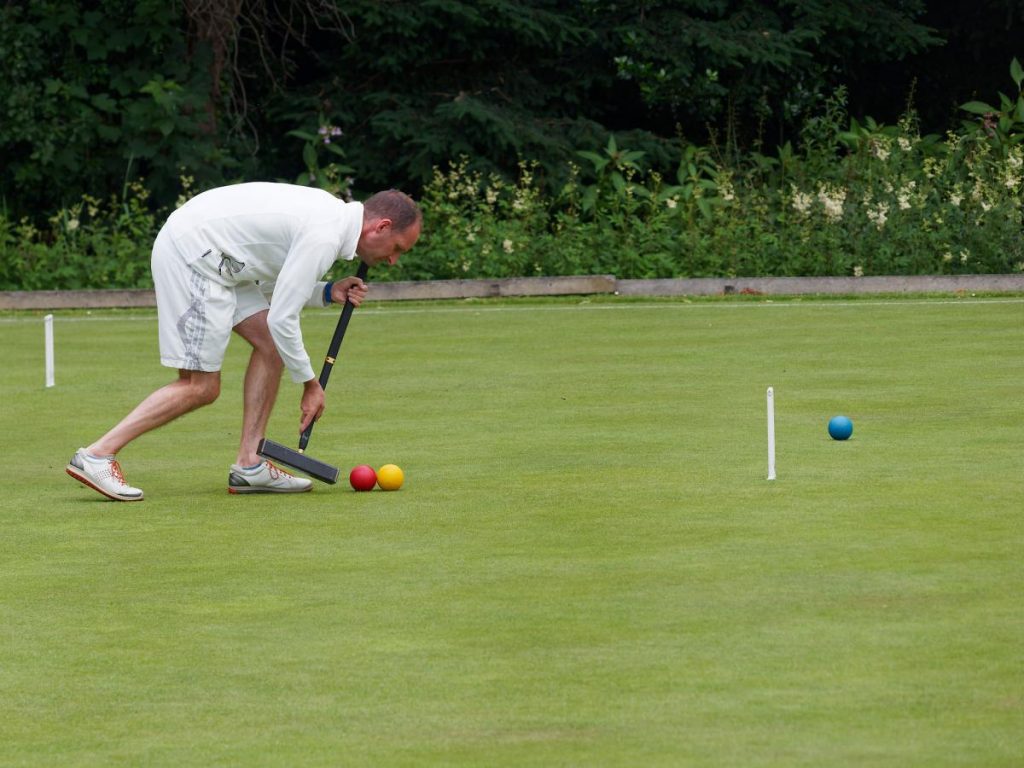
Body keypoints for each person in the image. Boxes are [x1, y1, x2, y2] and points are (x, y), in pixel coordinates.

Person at [66, 182, 422, 501]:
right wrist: (310, 384)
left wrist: (327, 291)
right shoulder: (325, 234)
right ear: (381, 227)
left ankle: (249, 464)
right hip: (194, 255)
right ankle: (97, 455)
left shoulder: (329, 219)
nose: (393, 260)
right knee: (200, 386)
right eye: (397, 248)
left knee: (271, 347)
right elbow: (283, 317)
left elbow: (267, 280)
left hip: (223, 261)